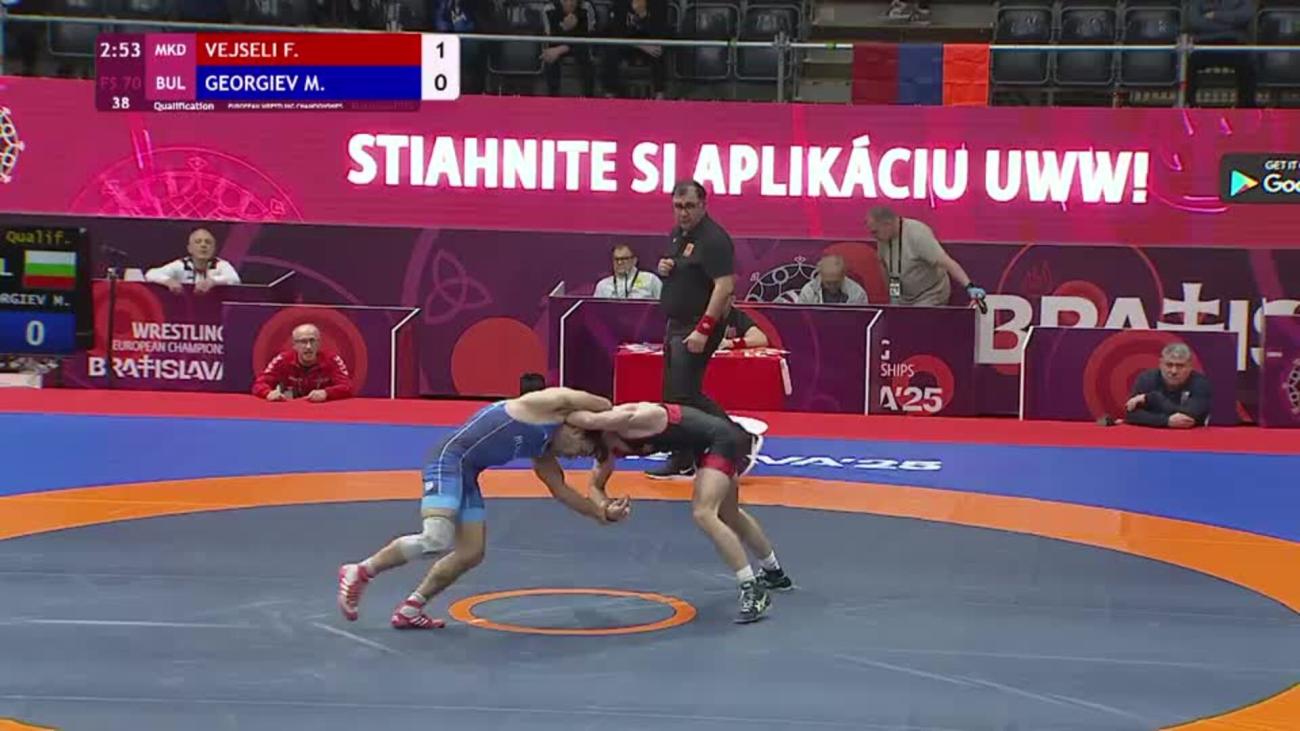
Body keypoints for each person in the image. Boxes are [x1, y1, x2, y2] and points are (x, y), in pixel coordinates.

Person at [337, 387, 631, 629]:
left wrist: (601, 513)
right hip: (447, 461)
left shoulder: (542, 452)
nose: (571, 457)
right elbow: (578, 398)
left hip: (467, 474)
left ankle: (411, 609)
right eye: (579, 452)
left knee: (471, 552)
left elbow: (561, 491)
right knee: (436, 538)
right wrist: (611, 416)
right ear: (577, 430)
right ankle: (361, 571)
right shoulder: (540, 408)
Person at [569, 401, 793, 623]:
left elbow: (593, 416)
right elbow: (595, 487)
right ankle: (773, 572)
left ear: (584, 429)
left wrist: (556, 413)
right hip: (703, 446)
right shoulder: (605, 446)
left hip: (719, 439)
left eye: (570, 443)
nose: (574, 454)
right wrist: (606, 508)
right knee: (729, 513)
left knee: (704, 513)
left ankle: (752, 589)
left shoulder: (629, 418)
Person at [650, 180, 747, 479]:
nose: (683, 213)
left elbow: (724, 286)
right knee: (674, 395)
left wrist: (704, 329)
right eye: (678, 206)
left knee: (685, 395)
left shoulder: (714, 239)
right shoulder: (678, 234)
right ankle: (684, 456)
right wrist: (665, 269)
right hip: (677, 323)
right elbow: (686, 271)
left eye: (690, 206)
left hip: (697, 324)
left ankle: (739, 441)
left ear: (703, 205)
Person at [865, 206, 985, 310]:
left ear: (887, 224)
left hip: (931, 293)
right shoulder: (883, 238)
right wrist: (894, 296)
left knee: (920, 322)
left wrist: (969, 286)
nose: (873, 236)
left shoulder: (918, 234)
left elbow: (946, 262)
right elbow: (890, 271)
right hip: (904, 297)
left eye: (875, 232)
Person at [251, 323, 353, 402]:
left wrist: (327, 393)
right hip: (291, 409)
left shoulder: (332, 359)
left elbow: (347, 387)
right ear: (294, 345)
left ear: (319, 343)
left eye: (312, 341)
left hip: (323, 409)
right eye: (303, 341)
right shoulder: (282, 360)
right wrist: (268, 393)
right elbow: (259, 384)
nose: (308, 346)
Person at [1123, 342, 1212, 428]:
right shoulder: (1147, 379)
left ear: (1190, 366)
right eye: (1169, 365)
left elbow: (1188, 417)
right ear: (1161, 364)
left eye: (1180, 366)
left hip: (1189, 435)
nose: (1174, 371)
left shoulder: (1200, 383)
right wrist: (1166, 421)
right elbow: (1131, 414)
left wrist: (1151, 399)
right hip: (1150, 434)